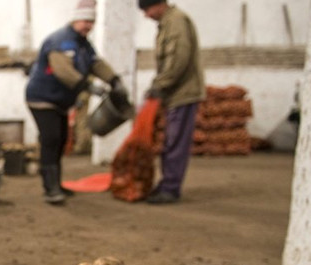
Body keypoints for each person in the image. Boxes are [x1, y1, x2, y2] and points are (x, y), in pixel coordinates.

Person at [25, 0, 128, 205]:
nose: (88, 25)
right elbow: (63, 71)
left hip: (60, 101)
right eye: (85, 20)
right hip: (43, 99)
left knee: (62, 140)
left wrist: (114, 80)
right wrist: (88, 86)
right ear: (75, 18)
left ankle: (56, 184)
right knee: (51, 139)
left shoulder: (84, 43)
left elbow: (95, 63)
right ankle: (50, 189)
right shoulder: (60, 41)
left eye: (91, 21)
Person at [139, 0, 205, 204]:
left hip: (182, 93)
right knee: (170, 141)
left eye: (147, 10)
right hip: (174, 94)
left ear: (159, 4)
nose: (146, 15)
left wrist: (160, 85)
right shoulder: (168, 22)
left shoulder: (176, 22)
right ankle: (167, 183)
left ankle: (170, 188)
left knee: (176, 142)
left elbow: (177, 60)